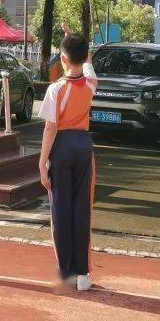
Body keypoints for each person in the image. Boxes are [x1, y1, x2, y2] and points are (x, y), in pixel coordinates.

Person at [38, 23, 97, 292]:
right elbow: (87, 63)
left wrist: (42, 162)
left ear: (62, 58)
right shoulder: (91, 84)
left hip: (61, 146)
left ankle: (66, 272)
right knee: (81, 209)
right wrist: (73, 38)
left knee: (61, 210)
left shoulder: (56, 89)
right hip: (84, 145)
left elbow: (50, 128)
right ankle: (83, 273)